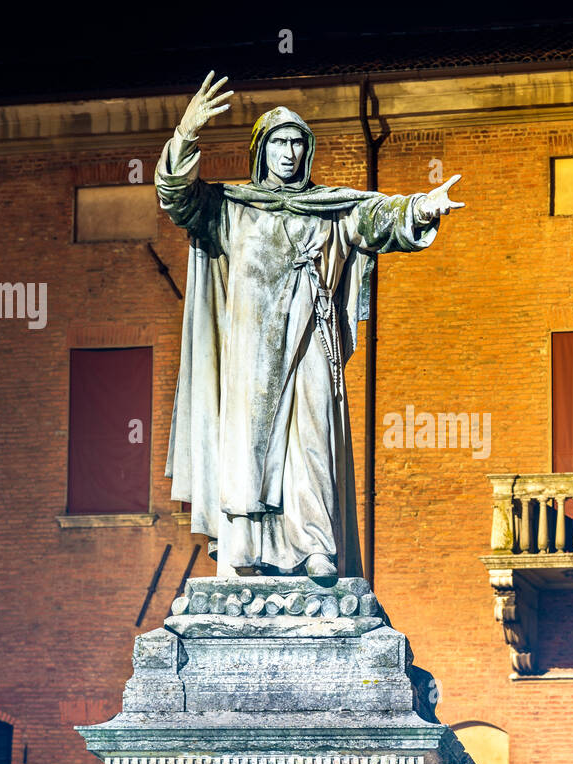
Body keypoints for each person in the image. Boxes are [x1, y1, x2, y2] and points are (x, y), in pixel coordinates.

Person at [156, 72, 464, 580]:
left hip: (313, 339)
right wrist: (186, 133)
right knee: (250, 446)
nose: (289, 152)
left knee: (313, 436)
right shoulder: (229, 208)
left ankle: (316, 545)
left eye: (298, 143)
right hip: (250, 351)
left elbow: (376, 217)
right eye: (279, 142)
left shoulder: (328, 210)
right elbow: (176, 198)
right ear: (262, 151)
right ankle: (246, 549)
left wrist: (423, 206)